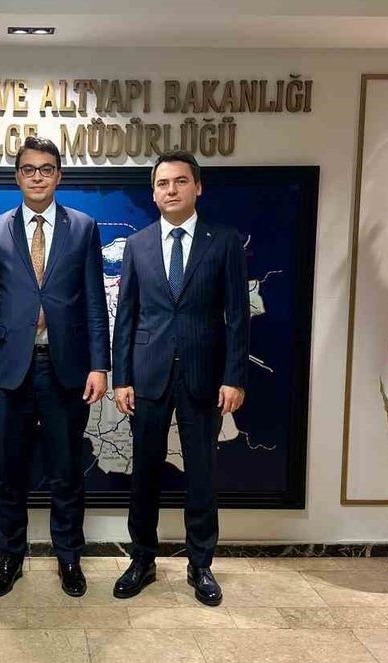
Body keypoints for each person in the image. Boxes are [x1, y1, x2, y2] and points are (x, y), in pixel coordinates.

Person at [0, 136, 111, 598]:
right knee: (9, 472)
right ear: (17, 176)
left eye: (46, 169)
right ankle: (10, 556)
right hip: (8, 371)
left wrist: (100, 365)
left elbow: (95, 302)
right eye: (28, 169)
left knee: (66, 471)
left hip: (65, 368)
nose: (37, 176)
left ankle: (68, 557)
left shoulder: (83, 227)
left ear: (59, 175)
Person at [110, 151, 249, 606]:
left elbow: (237, 316)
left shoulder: (223, 241)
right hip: (147, 376)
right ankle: (142, 559)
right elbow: (126, 317)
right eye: (162, 183)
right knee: (144, 474)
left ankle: (201, 565)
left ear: (198, 187)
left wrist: (234, 377)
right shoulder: (138, 245)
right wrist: (121, 378)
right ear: (153, 193)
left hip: (204, 375)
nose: (171, 190)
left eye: (180, 181)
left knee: (202, 475)